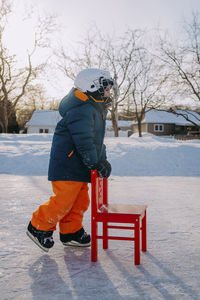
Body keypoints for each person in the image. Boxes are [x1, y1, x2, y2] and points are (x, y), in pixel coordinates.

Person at [27, 68, 113, 252]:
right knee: (64, 201)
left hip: (80, 165)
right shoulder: (81, 109)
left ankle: (70, 232)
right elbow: (83, 140)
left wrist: (102, 160)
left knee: (80, 201)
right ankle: (38, 226)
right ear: (92, 87)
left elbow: (97, 142)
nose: (108, 93)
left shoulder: (95, 109)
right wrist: (95, 163)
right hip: (67, 164)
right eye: (106, 89)